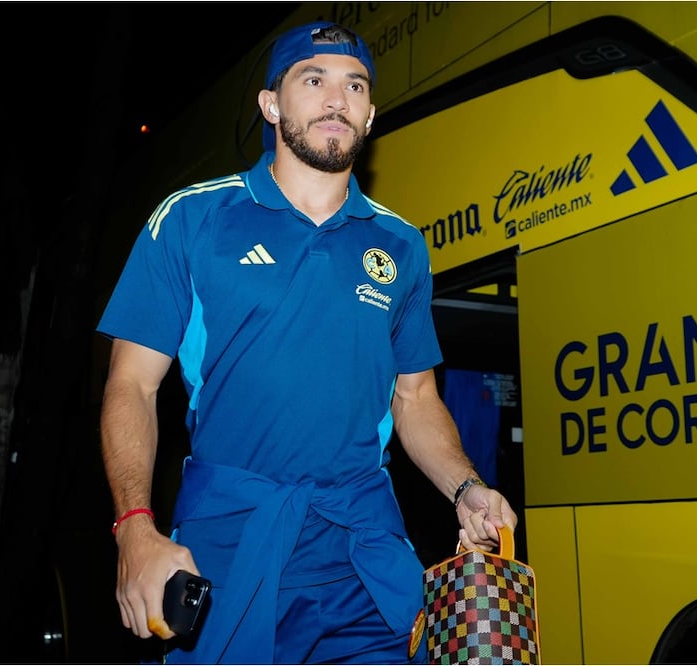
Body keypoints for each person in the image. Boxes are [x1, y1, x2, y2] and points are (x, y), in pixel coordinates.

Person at [96, 20, 518, 665]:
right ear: (271, 104)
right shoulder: (192, 218)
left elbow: (414, 398)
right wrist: (135, 530)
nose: (335, 98)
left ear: (370, 114)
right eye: (312, 79)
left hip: (363, 554)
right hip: (230, 545)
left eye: (354, 85)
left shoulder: (401, 245)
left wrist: (466, 487)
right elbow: (131, 385)